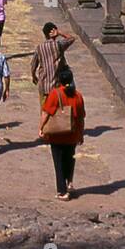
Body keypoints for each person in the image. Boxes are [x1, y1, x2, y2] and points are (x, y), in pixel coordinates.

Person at [39, 65, 86, 201]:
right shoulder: (78, 96)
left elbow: (46, 113)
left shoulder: (55, 94)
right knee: (69, 160)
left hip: (57, 135)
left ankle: (62, 191)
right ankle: (69, 183)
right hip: (72, 134)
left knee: (58, 163)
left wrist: (41, 128)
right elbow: (81, 118)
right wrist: (81, 134)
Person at [30, 21, 77, 105]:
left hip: (44, 86)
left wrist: (34, 76)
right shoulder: (59, 45)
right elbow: (71, 38)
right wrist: (59, 32)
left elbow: (33, 65)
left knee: (44, 110)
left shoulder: (39, 48)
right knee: (57, 110)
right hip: (56, 86)